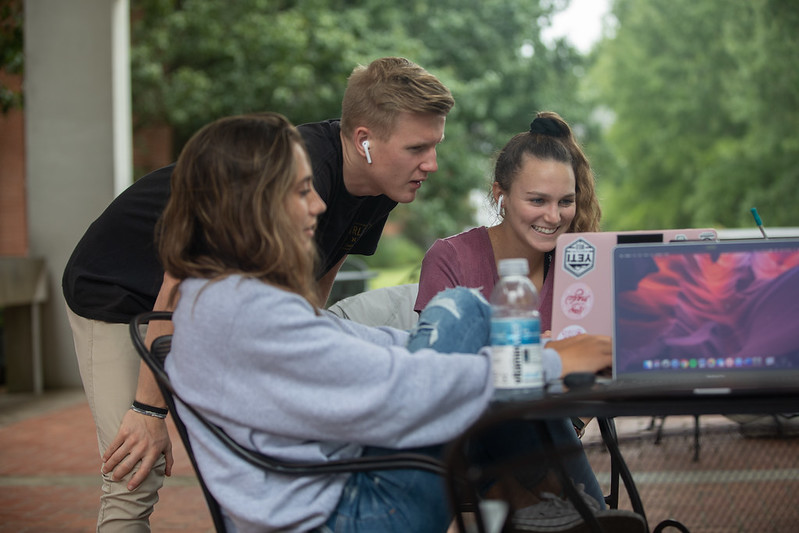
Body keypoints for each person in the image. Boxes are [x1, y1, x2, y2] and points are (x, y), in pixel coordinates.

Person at [159, 111, 641, 533]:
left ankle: (561, 515)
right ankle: (574, 513)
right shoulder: (247, 313)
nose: (319, 204)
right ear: (253, 203)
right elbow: (406, 390)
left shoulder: (222, 299)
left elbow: (361, 343)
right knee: (464, 309)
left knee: (468, 322)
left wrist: (523, 357)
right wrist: (547, 362)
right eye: (303, 190)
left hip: (342, 491)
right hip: (350, 516)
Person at [61, 56, 453, 532]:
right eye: (418, 148)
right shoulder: (295, 166)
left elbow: (323, 267)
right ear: (364, 140)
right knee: (135, 470)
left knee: (247, 471)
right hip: (119, 287)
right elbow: (179, 273)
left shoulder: (383, 183)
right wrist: (147, 408)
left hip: (203, 304)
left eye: (434, 146)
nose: (431, 164)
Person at [414, 111, 609, 504]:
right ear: (499, 194)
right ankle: (587, 515)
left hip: (553, 442)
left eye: (565, 202)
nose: (554, 217)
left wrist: (572, 415)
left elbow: (599, 373)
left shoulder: (584, 265)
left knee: (542, 432)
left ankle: (568, 511)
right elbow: (443, 376)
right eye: (537, 200)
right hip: (464, 450)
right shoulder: (451, 258)